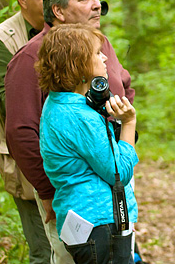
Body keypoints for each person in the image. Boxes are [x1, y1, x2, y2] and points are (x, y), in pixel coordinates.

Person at [5, 0, 134, 264]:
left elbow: (124, 87)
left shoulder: (100, 44)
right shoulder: (31, 58)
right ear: (59, 11)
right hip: (72, 194)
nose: (96, 6)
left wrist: (127, 136)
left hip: (114, 177)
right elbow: (21, 133)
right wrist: (49, 191)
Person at [36, 23, 138, 263]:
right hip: (100, 224)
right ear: (77, 63)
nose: (104, 58)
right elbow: (119, 173)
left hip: (85, 222)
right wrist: (129, 122)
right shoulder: (79, 117)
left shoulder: (58, 104)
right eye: (96, 53)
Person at [0, 0, 54, 263]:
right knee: (43, 252)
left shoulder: (68, 28)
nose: (51, 0)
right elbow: (11, 104)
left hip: (73, 159)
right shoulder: (3, 39)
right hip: (27, 161)